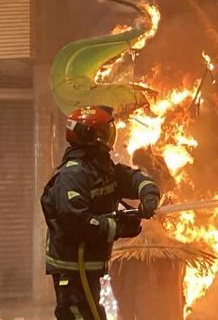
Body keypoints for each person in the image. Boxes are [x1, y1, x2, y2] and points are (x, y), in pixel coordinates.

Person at [41, 105, 162, 320]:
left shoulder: (100, 167)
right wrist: (119, 227)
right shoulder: (74, 174)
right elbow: (76, 223)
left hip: (87, 267)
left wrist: (149, 194)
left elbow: (131, 178)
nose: (110, 137)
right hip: (72, 268)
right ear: (89, 136)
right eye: (104, 133)